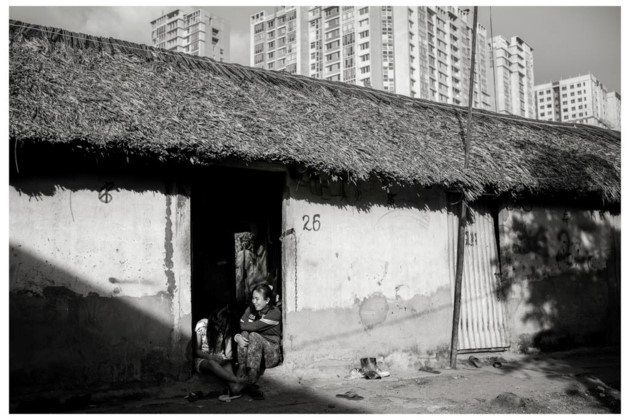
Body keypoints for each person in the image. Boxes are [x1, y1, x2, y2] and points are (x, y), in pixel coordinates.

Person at [234, 283, 282, 394]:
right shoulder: (251, 308)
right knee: (244, 333)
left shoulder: (275, 313)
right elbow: (241, 323)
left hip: (270, 356)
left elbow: (252, 326)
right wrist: (238, 337)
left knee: (253, 335)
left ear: (267, 300)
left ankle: (251, 378)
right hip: (254, 355)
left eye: (257, 299)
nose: (254, 301)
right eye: (253, 298)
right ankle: (241, 367)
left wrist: (244, 327)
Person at [194, 306, 247, 397]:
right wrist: (211, 357)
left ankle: (234, 387)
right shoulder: (202, 325)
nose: (221, 330)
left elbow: (228, 353)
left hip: (219, 358)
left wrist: (225, 359)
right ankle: (237, 380)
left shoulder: (226, 328)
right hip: (204, 359)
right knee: (212, 363)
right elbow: (197, 351)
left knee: (227, 363)